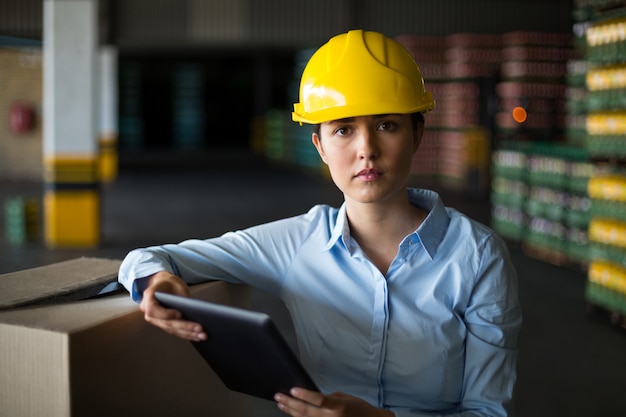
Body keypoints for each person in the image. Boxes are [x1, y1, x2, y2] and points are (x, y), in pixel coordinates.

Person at [118, 29, 522, 417]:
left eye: (386, 125)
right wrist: (158, 282)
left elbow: (487, 411)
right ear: (320, 147)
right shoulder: (297, 243)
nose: (366, 150)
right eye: (343, 129)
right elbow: (149, 257)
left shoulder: (477, 256)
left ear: (417, 135)